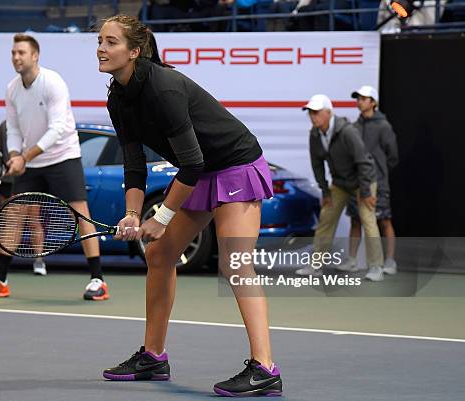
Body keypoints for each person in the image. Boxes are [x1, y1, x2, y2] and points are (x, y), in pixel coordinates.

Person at [97, 15, 282, 397]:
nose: (101, 48)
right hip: (202, 168)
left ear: (134, 51)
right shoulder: (117, 96)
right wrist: (133, 214)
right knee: (160, 254)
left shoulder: (163, 89)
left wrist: (161, 217)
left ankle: (265, 368)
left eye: (111, 42)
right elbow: (134, 163)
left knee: (234, 263)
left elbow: (193, 162)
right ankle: (153, 355)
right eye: (100, 41)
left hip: (234, 163)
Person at [0, 33, 109, 301]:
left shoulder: (53, 83)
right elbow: (12, 128)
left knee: (81, 213)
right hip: (31, 162)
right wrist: (13, 154)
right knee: (14, 215)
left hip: (63, 156)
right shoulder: (12, 89)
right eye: (13, 53)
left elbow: (57, 129)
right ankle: (0, 279)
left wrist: (25, 156)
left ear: (35, 56)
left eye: (21, 52)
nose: (16, 57)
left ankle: (98, 280)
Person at [296, 94, 386, 281]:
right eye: (310, 113)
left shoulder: (347, 132)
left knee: (368, 220)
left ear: (328, 113)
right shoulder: (314, 134)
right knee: (325, 219)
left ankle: (376, 266)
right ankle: (316, 265)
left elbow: (364, 162)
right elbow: (317, 164)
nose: (313, 116)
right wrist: (325, 191)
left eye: (316, 112)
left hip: (364, 181)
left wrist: (366, 192)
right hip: (340, 184)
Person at [337, 86, 399, 274]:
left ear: (373, 102)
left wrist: (378, 172)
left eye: (364, 99)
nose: (360, 102)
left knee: (384, 220)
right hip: (357, 183)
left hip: (378, 183)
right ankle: (352, 260)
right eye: (358, 99)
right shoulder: (354, 127)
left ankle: (389, 261)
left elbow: (392, 155)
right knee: (356, 220)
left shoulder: (384, 126)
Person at [0, 120, 47, 276]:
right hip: (8, 180)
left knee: (33, 221)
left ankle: (39, 261)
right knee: (7, 222)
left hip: (31, 179)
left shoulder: (36, 123)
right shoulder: (5, 125)